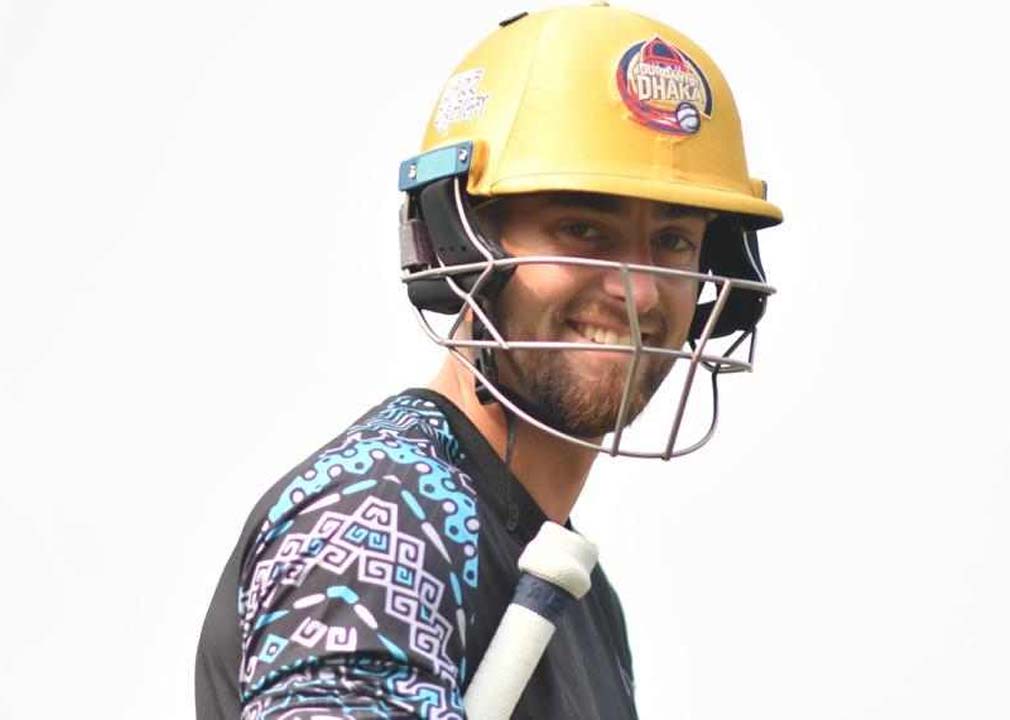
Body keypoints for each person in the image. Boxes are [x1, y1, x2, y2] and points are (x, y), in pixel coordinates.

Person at [195, 3, 784, 718]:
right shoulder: (383, 513)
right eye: (582, 229)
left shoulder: (583, 598)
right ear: (457, 243)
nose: (638, 293)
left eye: (673, 242)